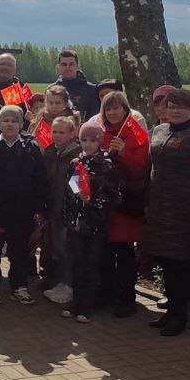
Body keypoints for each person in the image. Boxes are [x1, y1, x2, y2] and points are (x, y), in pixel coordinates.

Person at [143, 88, 190, 337]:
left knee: (182, 264)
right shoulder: (160, 130)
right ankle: (170, 310)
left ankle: (180, 314)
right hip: (160, 209)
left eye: (180, 107)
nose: (174, 111)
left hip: (186, 211)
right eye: (170, 106)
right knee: (165, 262)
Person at [0, 105, 47, 306]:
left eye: (14, 121)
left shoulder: (31, 147)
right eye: (5, 120)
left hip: (22, 210)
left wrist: (39, 207)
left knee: (19, 250)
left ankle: (19, 285)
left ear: (21, 124)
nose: (10, 124)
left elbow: (40, 179)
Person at [99, 90, 150, 318]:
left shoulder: (136, 132)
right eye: (108, 108)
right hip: (105, 205)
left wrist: (124, 152)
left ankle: (127, 297)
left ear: (126, 109)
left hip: (126, 203)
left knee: (125, 252)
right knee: (106, 253)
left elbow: (141, 168)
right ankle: (107, 293)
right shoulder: (102, 131)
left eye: (116, 107)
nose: (112, 112)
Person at [64, 122, 118, 323]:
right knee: (76, 264)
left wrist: (93, 201)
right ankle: (76, 302)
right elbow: (69, 190)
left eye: (93, 140)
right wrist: (69, 217)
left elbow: (114, 195)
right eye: (84, 140)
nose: (88, 144)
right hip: (76, 223)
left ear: (100, 142)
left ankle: (87, 306)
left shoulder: (106, 165)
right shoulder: (76, 163)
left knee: (91, 265)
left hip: (95, 224)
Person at [41, 116, 82, 305]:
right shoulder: (50, 153)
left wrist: (71, 210)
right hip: (52, 209)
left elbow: (76, 187)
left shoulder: (77, 156)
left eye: (61, 132)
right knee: (55, 248)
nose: (56, 136)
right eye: (54, 132)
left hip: (68, 212)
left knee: (67, 249)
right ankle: (59, 281)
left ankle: (70, 286)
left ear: (72, 134)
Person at [53, 50, 101, 120]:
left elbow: (95, 118)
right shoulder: (51, 90)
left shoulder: (92, 90)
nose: (67, 68)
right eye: (64, 64)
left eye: (71, 64)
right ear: (58, 67)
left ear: (78, 66)